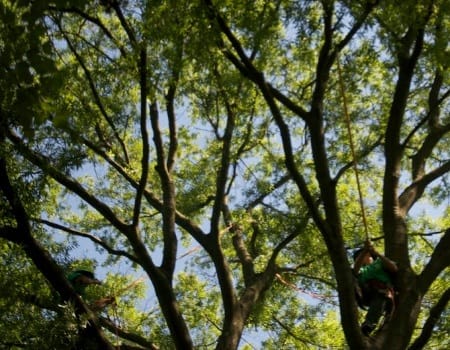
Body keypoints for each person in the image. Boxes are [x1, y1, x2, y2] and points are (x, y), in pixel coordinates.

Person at [353, 241, 398, 336]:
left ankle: (369, 324)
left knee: (380, 297)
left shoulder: (379, 262)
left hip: (382, 292)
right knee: (352, 279)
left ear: (370, 256)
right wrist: (365, 251)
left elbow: (394, 268)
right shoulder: (361, 270)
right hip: (367, 293)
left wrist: (376, 253)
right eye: (359, 257)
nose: (360, 258)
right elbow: (355, 271)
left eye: (363, 256)